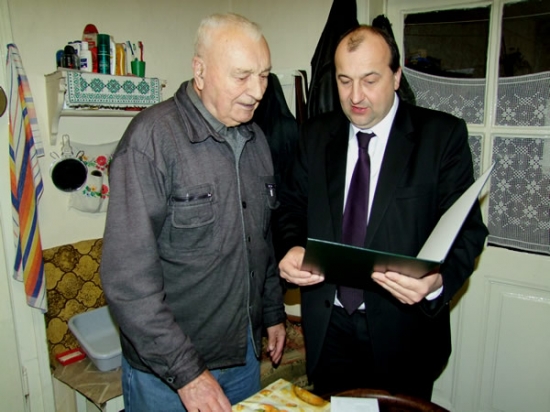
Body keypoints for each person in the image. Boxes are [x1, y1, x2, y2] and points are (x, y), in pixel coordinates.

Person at [277, 25, 488, 400]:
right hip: (329, 328)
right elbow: (291, 207)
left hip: (404, 333)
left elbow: (468, 232)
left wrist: (436, 282)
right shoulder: (315, 135)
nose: (355, 96)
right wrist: (292, 246)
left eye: (370, 80)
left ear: (396, 76)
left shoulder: (441, 137)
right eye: (344, 81)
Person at [100, 13, 286, 412]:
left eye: (264, 75)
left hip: (243, 355)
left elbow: (261, 240)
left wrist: (272, 312)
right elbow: (128, 281)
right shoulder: (150, 140)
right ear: (199, 71)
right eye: (242, 76)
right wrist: (188, 374)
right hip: (168, 375)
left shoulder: (256, 139)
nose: (258, 91)